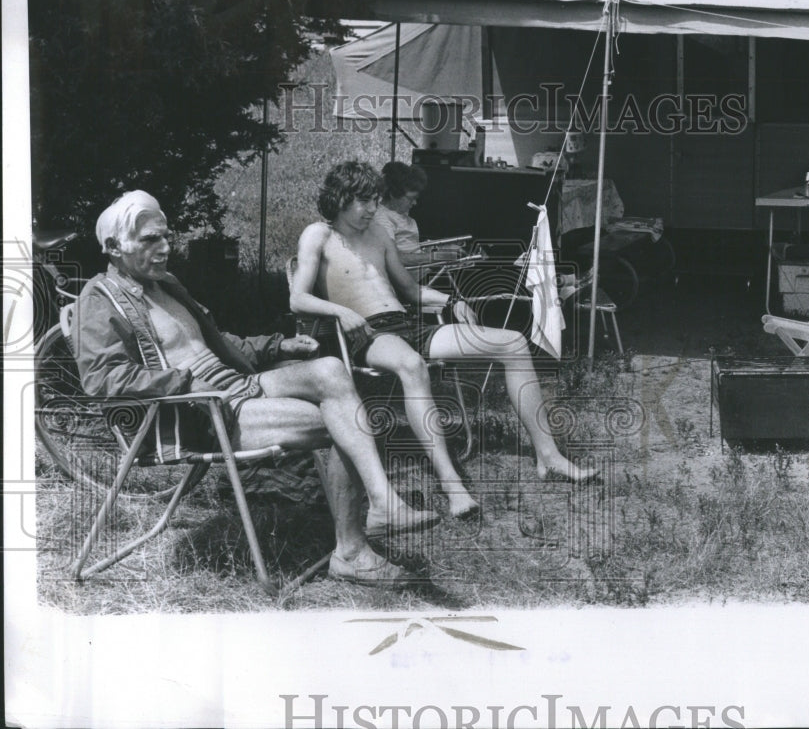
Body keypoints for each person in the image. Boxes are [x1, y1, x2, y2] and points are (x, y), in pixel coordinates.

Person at [74, 190, 439, 587]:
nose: (165, 248)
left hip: (236, 388)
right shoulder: (99, 299)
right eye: (149, 240)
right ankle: (352, 552)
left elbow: (212, 343)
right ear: (113, 247)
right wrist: (184, 381)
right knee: (345, 421)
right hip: (197, 413)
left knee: (332, 369)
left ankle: (382, 502)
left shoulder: (165, 284)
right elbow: (103, 378)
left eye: (165, 237)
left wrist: (278, 345)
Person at [290, 161, 600, 519]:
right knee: (411, 365)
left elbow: (409, 290)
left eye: (376, 200)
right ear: (341, 199)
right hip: (366, 333)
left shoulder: (378, 234)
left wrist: (452, 302)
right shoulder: (319, 235)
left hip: (406, 324)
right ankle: (452, 486)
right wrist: (339, 311)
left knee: (512, 342)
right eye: (364, 202)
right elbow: (297, 298)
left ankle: (549, 456)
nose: (373, 209)